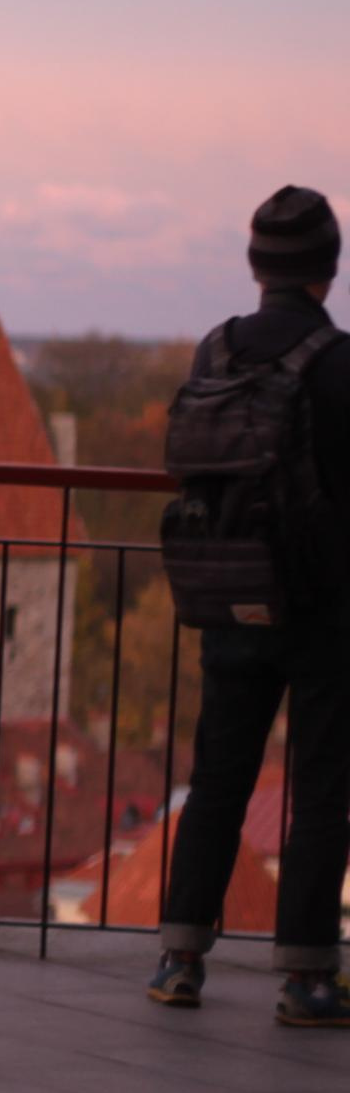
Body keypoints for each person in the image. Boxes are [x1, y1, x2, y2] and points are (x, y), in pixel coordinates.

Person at [152, 186, 350, 1026]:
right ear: (328, 269)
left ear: (257, 265)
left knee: (217, 780)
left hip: (229, 591)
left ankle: (179, 957)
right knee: (322, 787)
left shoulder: (215, 351)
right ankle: (307, 977)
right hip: (323, 609)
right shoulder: (337, 363)